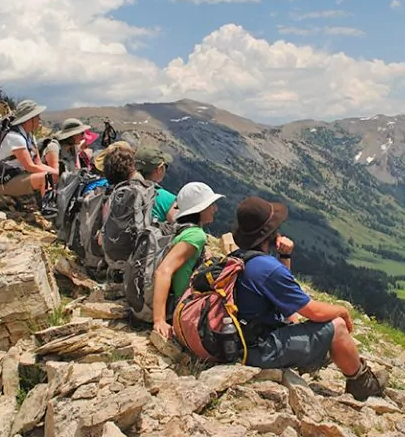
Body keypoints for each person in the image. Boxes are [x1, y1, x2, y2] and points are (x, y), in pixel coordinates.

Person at [232, 196, 384, 401]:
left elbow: (285, 302)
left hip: (240, 342)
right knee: (337, 326)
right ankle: (362, 384)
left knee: (293, 318)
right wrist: (343, 311)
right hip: (257, 351)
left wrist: (284, 257)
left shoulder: (241, 257)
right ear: (270, 233)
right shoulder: (267, 268)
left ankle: (315, 355)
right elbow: (314, 311)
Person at [152, 182, 224, 338]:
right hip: (182, 306)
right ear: (201, 208)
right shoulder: (195, 235)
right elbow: (164, 270)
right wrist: (159, 320)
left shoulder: (181, 228)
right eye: (211, 205)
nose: (215, 209)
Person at [0, 99, 58, 197]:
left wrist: (57, 173)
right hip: (4, 182)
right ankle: (48, 208)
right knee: (45, 178)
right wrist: (53, 173)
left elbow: (38, 163)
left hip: (19, 176)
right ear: (29, 119)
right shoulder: (15, 138)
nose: (39, 119)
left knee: (54, 175)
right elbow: (30, 166)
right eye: (37, 117)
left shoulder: (30, 137)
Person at [135, 147, 177, 223]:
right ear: (159, 169)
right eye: (165, 166)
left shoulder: (121, 187)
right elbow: (184, 228)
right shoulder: (167, 199)